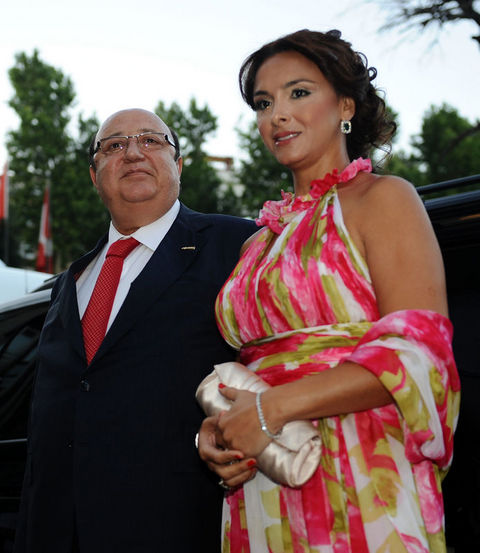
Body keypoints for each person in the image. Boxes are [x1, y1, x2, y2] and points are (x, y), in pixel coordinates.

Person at [198, 30, 460, 553]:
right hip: (265, 475)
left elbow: (418, 352)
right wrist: (219, 432)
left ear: (345, 105)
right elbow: (252, 368)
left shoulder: (384, 199)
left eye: (298, 93)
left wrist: (270, 409)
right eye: (263, 103)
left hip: (361, 466)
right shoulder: (256, 242)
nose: (277, 115)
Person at [14, 108, 257, 553]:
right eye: (113, 145)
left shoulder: (238, 246)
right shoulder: (72, 281)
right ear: (95, 175)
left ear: (178, 164)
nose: (132, 153)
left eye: (150, 140)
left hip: (178, 526)